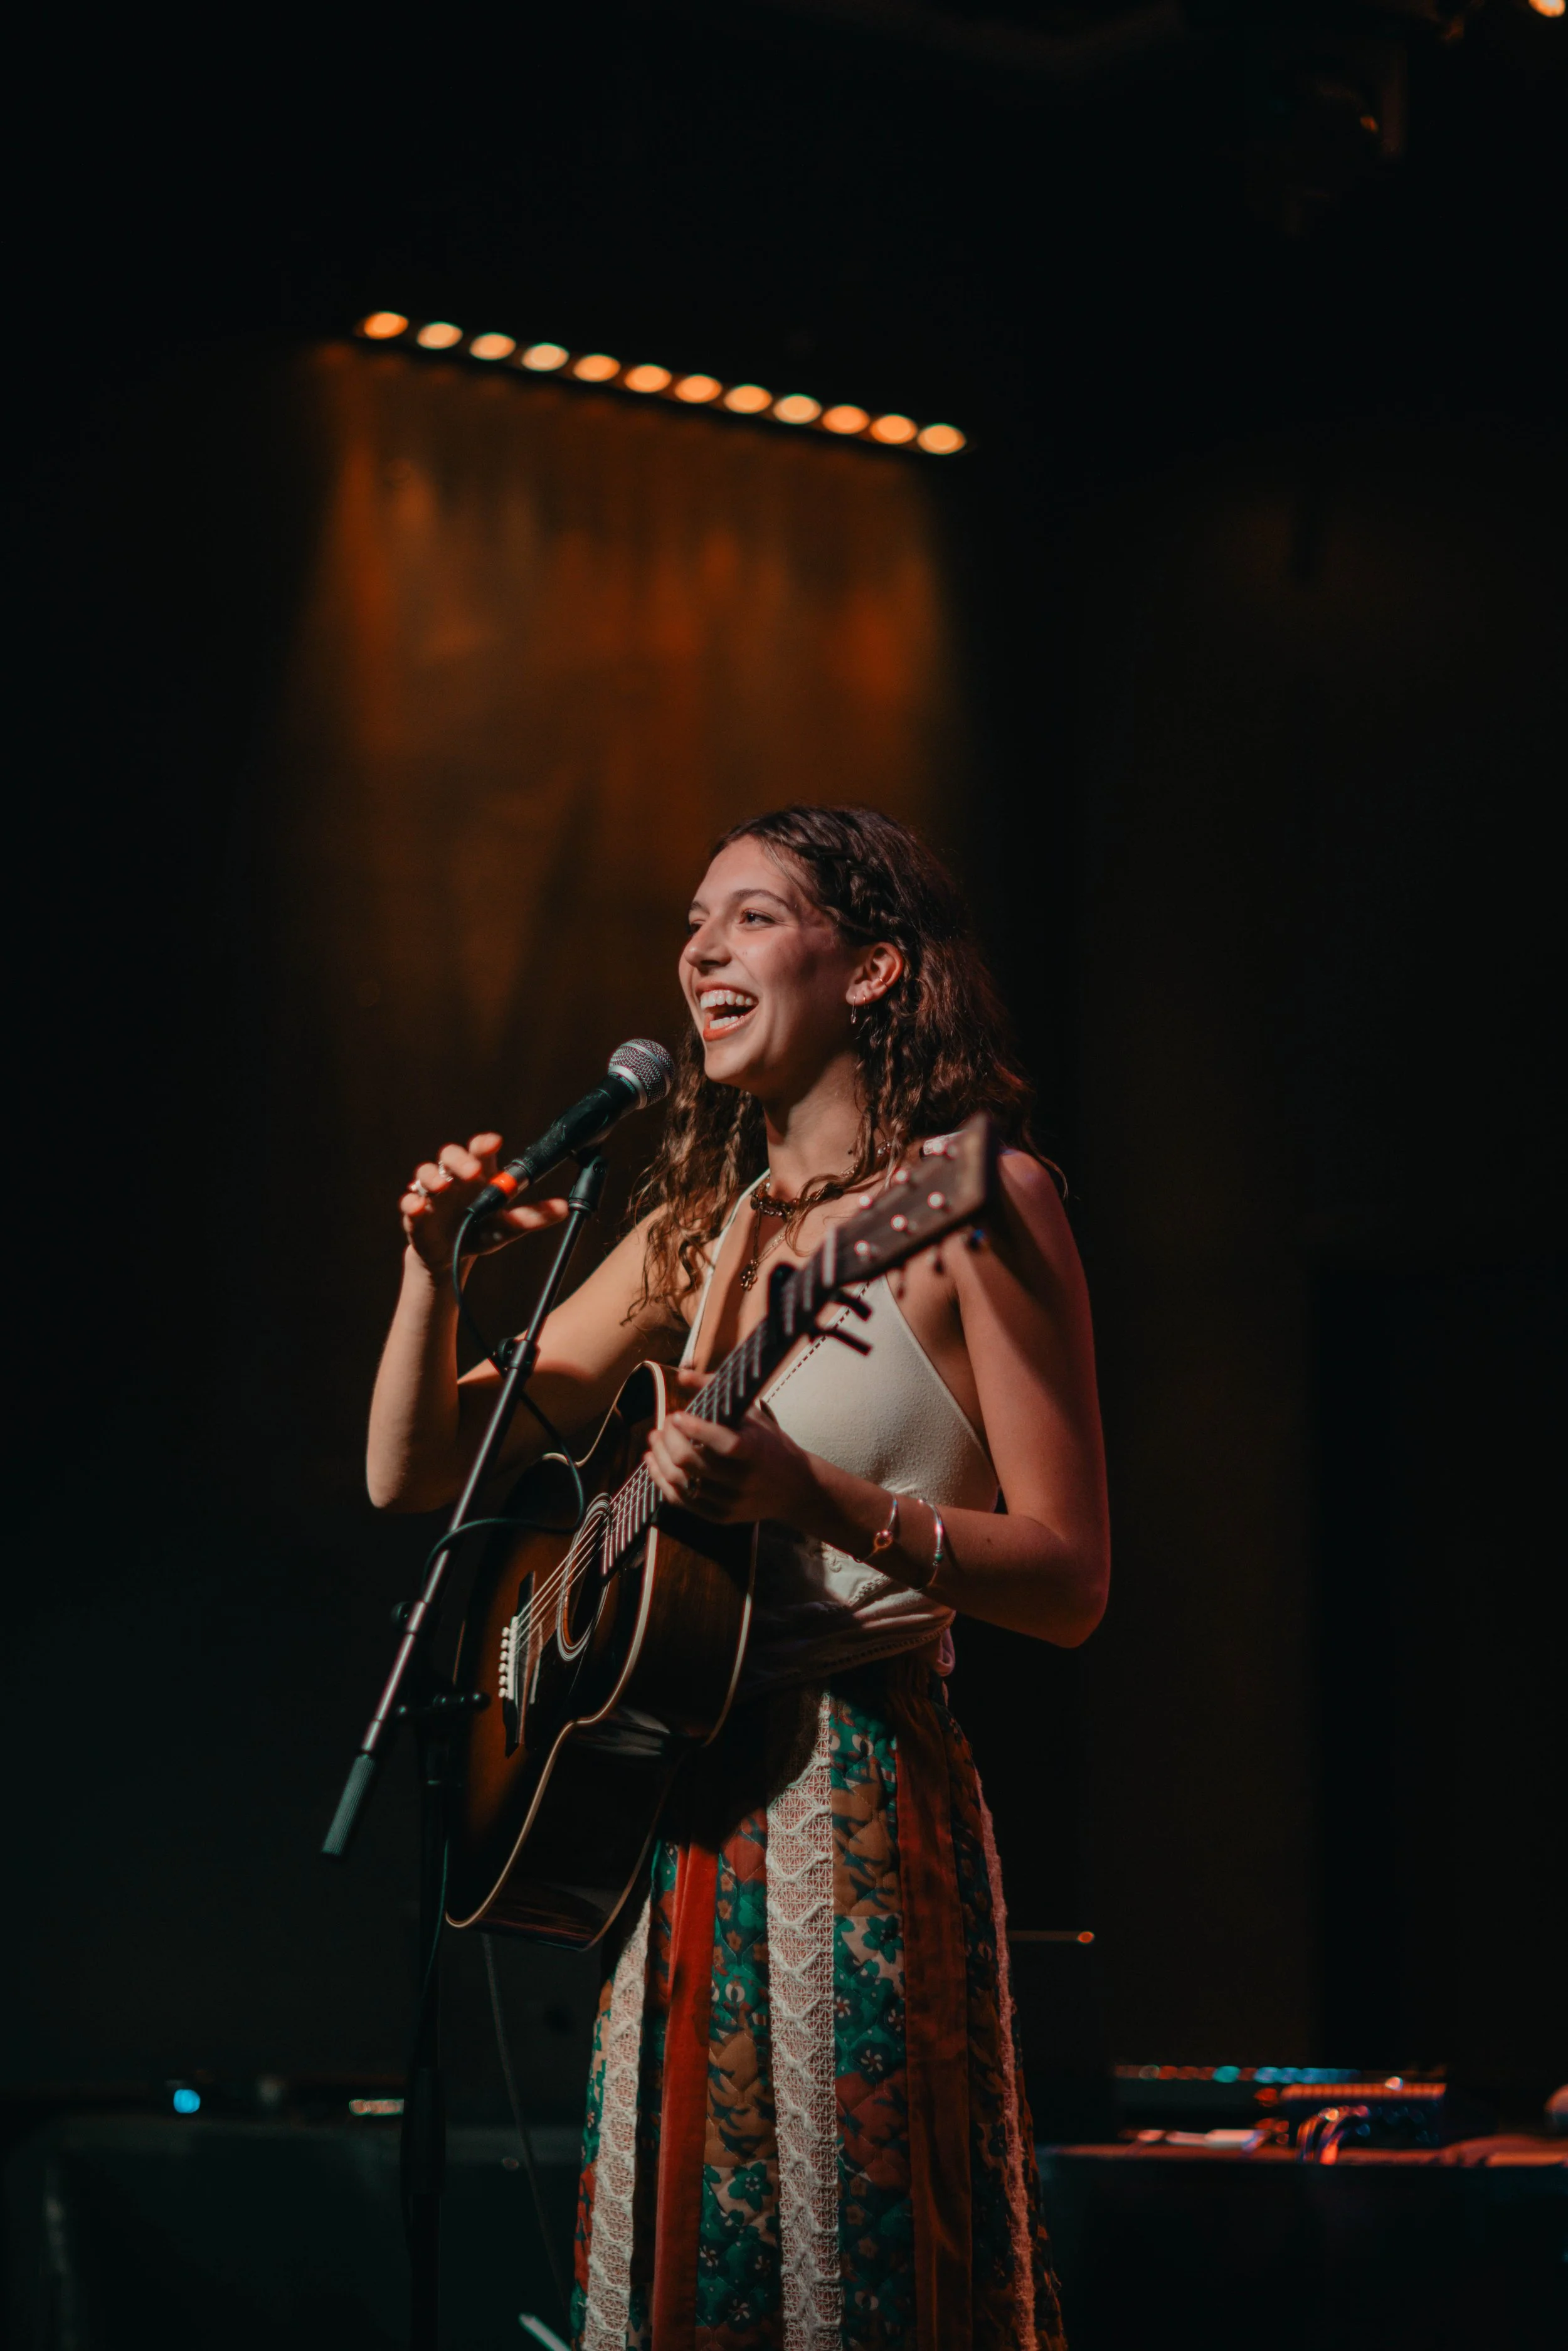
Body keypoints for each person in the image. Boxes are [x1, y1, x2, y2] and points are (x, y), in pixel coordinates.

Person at [368, 804, 1110, 2351]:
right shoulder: (687, 1233)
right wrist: (432, 1271)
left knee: (858, 2259)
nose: (700, 948)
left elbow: (1068, 1577)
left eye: (753, 916)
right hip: (670, 1812)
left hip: (851, 1789)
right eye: (692, 921)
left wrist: (820, 1494)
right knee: (674, 2272)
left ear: (875, 968)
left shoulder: (971, 1203)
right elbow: (416, 1472)